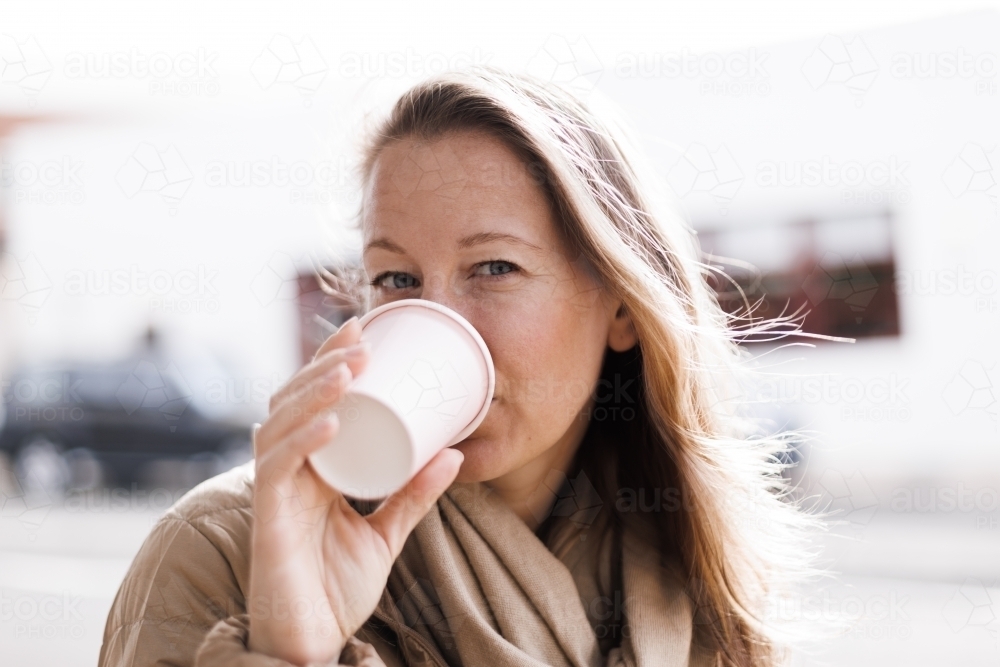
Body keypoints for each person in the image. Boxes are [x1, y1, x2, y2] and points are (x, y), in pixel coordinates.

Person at [98, 67, 812, 667]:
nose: (437, 321)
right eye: (396, 279)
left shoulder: (694, 565)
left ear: (622, 306)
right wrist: (289, 645)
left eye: (494, 267)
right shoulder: (222, 548)